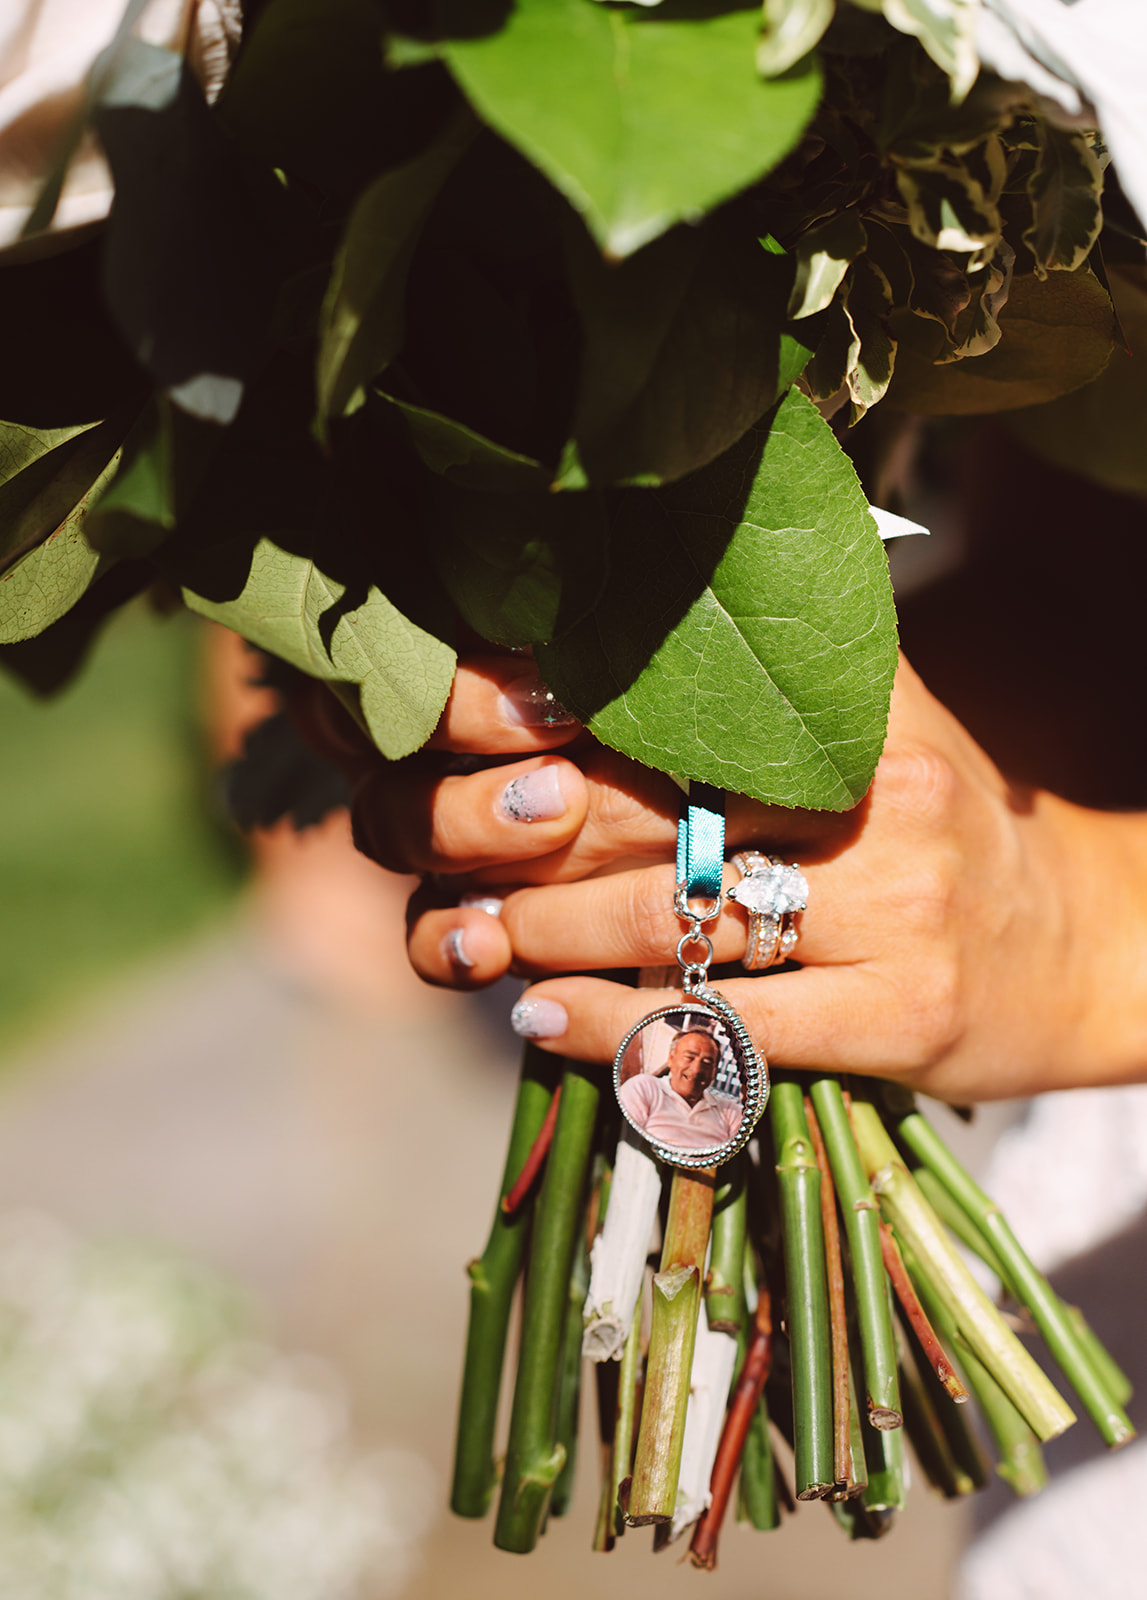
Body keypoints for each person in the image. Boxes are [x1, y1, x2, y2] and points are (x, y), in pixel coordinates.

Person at [618, 1028, 741, 1150]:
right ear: (671, 1059)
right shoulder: (643, 1087)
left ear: (714, 1071)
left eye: (707, 1062)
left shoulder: (730, 1111)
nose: (696, 1069)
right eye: (689, 1057)